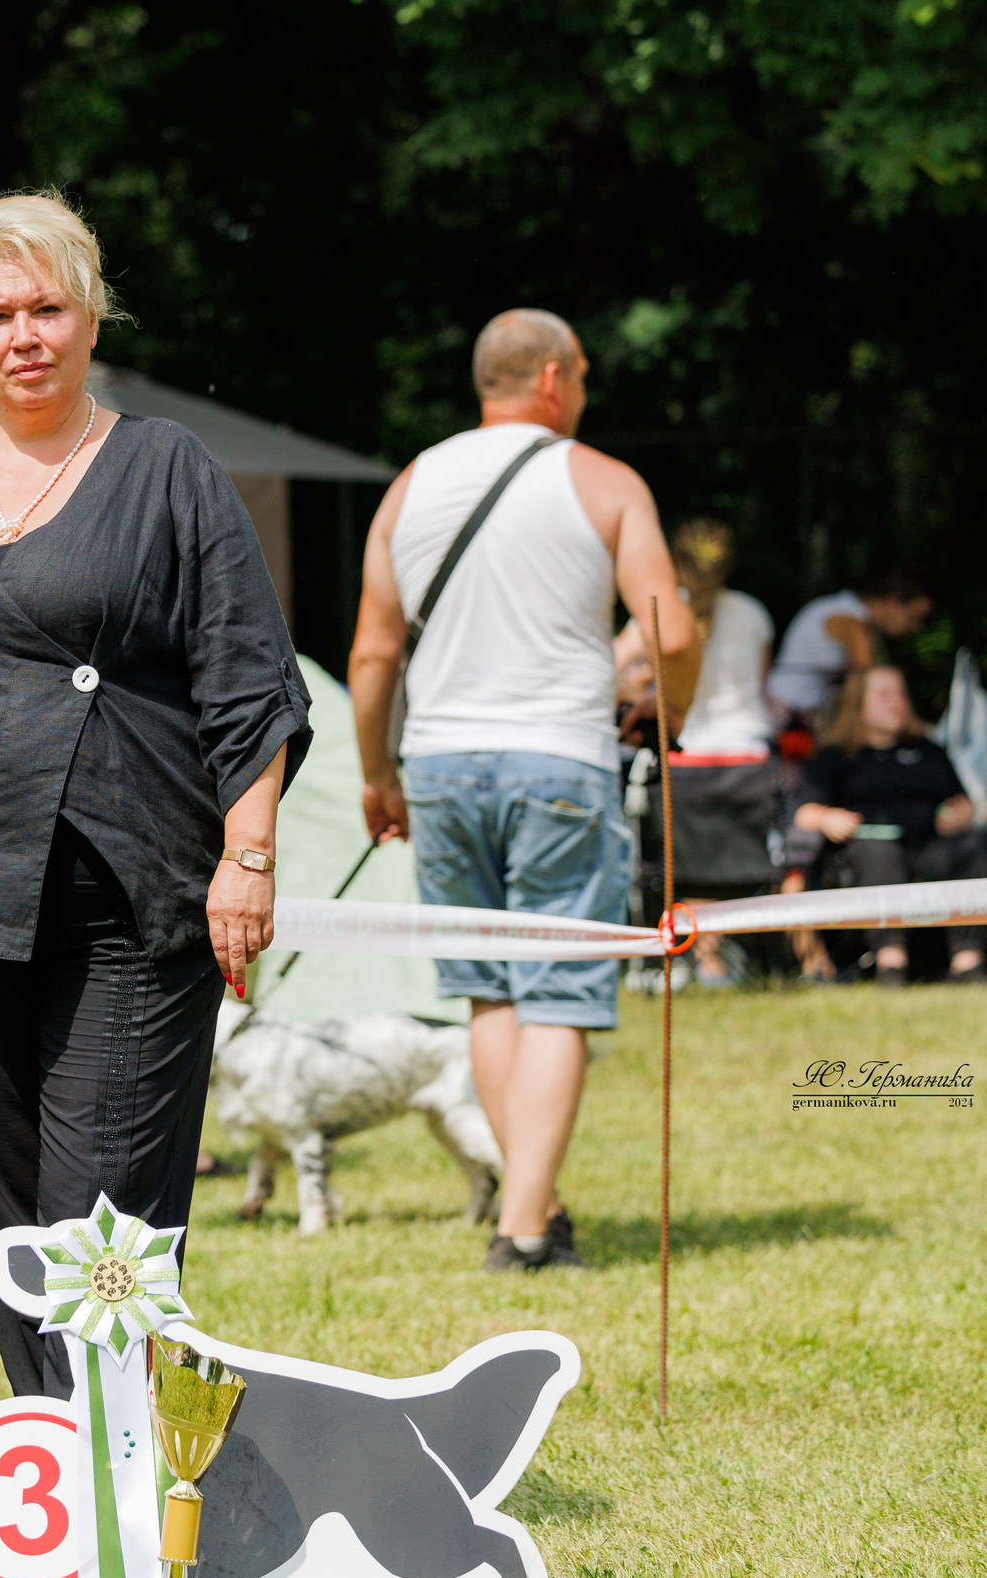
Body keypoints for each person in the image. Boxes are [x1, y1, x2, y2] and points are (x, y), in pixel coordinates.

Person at [0, 191, 310, 1403]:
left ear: (92, 316)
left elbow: (247, 676)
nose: (24, 334)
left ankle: (127, 1482)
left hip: (128, 901)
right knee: (11, 1225)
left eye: (48, 307)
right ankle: (66, 1471)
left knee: (103, 1217)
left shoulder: (166, 470)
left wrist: (246, 856)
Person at [346, 308, 698, 1273]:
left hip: (442, 765)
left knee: (489, 993)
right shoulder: (603, 481)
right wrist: (671, 718)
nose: (583, 389)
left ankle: (530, 1203)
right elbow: (666, 635)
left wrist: (378, 772)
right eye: (582, 372)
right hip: (561, 762)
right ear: (552, 377)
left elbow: (374, 651)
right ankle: (527, 1226)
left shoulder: (410, 485)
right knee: (562, 991)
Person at [612, 519, 777, 985]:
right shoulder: (752, 613)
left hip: (681, 762)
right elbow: (760, 688)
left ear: (675, 560)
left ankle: (697, 955)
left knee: (678, 866)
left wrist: (636, 688)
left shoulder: (659, 613)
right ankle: (715, 955)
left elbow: (612, 663)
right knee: (732, 866)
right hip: (748, 760)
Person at [794, 663, 987, 984]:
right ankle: (891, 964)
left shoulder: (928, 751)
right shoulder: (835, 756)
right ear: (858, 704)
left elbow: (963, 802)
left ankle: (968, 963)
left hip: (930, 850)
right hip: (867, 855)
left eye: (901, 694)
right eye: (884, 695)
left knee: (975, 846)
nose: (897, 703)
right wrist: (826, 817)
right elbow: (802, 812)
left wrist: (961, 813)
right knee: (878, 852)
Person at [766, 575, 933, 743]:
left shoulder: (847, 610)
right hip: (786, 713)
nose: (914, 628)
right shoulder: (848, 619)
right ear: (892, 601)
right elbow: (869, 678)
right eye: (913, 617)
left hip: (801, 711)